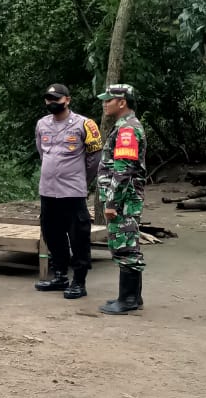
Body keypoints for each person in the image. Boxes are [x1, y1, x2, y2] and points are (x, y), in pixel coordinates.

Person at [34, 83, 103, 299]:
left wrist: (82, 179)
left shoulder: (85, 124)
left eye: (56, 99)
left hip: (72, 192)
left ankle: (79, 281)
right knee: (52, 234)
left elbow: (95, 158)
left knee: (78, 237)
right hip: (48, 191)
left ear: (67, 100)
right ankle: (60, 276)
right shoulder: (42, 124)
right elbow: (42, 152)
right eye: (49, 99)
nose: (52, 102)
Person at [96, 83, 147, 314]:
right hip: (126, 197)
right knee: (128, 243)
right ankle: (132, 297)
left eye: (109, 99)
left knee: (124, 245)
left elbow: (123, 170)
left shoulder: (127, 129)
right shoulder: (124, 126)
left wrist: (112, 203)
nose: (105, 103)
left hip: (124, 199)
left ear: (122, 102)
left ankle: (127, 299)